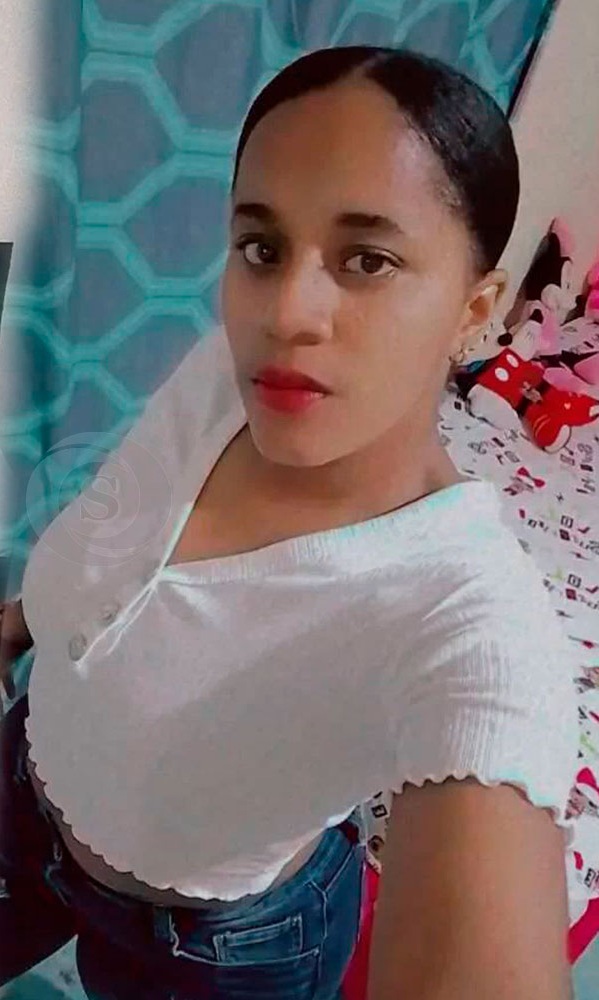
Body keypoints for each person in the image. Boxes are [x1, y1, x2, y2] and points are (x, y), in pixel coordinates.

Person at [0, 45, 579, 999]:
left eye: (367, 260)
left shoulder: (467, 621)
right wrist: (27, 618)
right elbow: (124, 529)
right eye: (262, 248)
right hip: (27, 787)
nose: (286, 310)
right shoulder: (228, 374)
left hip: (209, 951)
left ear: (473, 310)